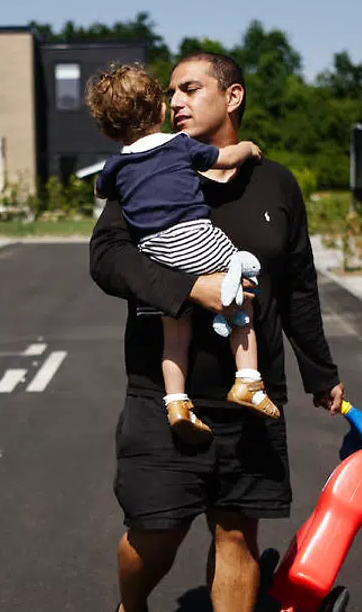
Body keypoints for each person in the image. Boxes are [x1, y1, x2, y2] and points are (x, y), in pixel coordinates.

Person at [89, 51, 345, 612]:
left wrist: (321, 373)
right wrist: (186, 289)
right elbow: (107, 260)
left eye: (189, 88)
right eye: (168, 90)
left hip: (249, 396)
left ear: (232, 96)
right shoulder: (147, 171)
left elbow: (298, 289)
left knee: (238, 532)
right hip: (163, 390)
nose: (173, 100)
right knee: (155, 534)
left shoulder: (277, 186)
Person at [85, 63, 281, 444]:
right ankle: (247, 380)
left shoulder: (117, 166)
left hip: (155, 253)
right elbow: (224, 158)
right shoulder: (179, 145)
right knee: (242, 292)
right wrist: (247, 149)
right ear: (159, 112)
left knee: (174, 334)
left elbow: (101, 188)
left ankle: (176, 402)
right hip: (194, 238)